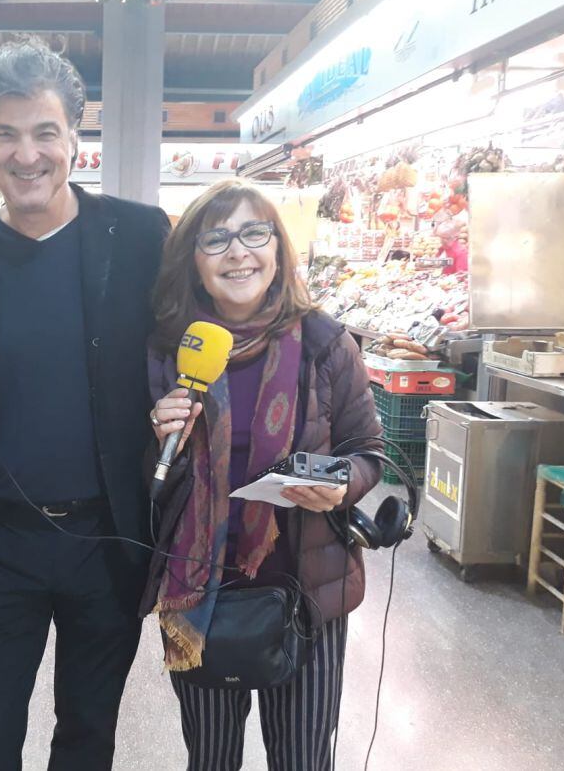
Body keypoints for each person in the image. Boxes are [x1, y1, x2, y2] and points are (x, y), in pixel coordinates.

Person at [0, 37, 169, 771]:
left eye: (44, 133)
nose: (26, 154)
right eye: (6, 134)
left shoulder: (138, 238)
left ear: (75, 140)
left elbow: (199, 338)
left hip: (108, 538)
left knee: (88, 737)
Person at [142, 180, 383, 771]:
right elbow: (142, 481)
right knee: (211, 758)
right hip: (200, 596)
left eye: (255, 233)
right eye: (215, 238)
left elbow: (367, 451)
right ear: (193, 262)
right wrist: (152, 431)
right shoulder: (169, 350)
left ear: (278, 249)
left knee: (302, 759)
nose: (238, 252)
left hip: (306, 594)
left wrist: (338, 482)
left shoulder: (325, 343)